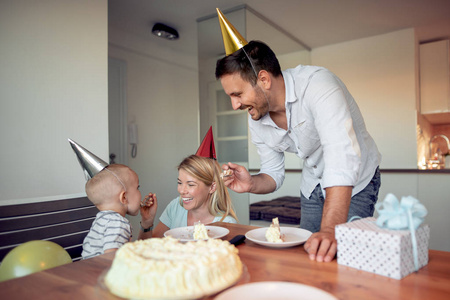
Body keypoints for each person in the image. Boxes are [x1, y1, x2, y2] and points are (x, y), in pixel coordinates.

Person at [214, 27, 381, 262]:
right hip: (313, 183)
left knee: (345, 257)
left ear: (263, 79)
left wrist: (330, 229)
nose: (234, 105)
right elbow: (273, 174)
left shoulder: (317, 85)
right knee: (309, 253)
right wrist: (251, 183)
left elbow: (340, 156)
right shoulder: (257, 119)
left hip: (357, 180)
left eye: (237, 94)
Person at [151, 154, 238, 237]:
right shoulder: (175, 206)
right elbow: (149, 245)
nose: (181, 191)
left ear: (212, 187)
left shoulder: (227, 223)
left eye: (191, 185)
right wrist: (146, 224)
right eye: (179, 183)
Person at [81, 164, 157, 259]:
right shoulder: (118, 222)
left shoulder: (101, 219)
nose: (139, 192)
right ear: (124, 197)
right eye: (138, 188)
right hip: (100, 272)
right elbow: (112, 258)